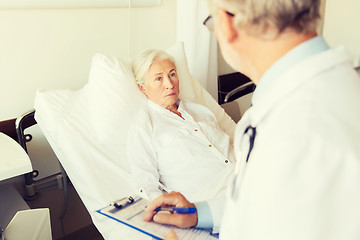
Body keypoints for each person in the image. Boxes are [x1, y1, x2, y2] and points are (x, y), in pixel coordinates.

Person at [144, 0, 360, 239]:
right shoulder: (331, 91)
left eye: (211, 22)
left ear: (227, 24)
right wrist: (200, 213)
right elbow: (270, 204)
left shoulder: (301, 132)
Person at [126, 49, 236, 202]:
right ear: (143, 88)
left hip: (247, 176)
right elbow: (146, 185)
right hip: (214, 199)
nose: (169, 84)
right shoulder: (143, 126)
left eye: (172, 74)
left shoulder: (201, 110)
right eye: (159, 79)